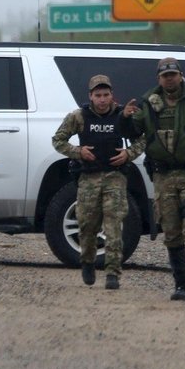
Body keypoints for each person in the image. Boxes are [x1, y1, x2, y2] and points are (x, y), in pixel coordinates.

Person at [122, 57, 185, 301]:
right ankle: (181, 285)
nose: (169, 79)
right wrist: (124, 117)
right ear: (159, 78)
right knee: (171, 230)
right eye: (165, 75)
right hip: (163, 177)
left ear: (180, 75)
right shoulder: (148, 103)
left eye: (173, 74)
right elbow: (130, 132)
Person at [52, 75, 145, 290]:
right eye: (98, 95)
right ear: (90, 96)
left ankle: (113, 272)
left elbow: (143, 138)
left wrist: (129, 154)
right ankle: (87, 262)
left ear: (112, 95)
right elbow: (58, 140)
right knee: (87, 225)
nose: (102, 100)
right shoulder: (79, 117)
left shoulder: (123, 116)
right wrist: (78, 152)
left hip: (115, 177)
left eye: (105, 95)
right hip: (89, 178)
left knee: (114, 226)